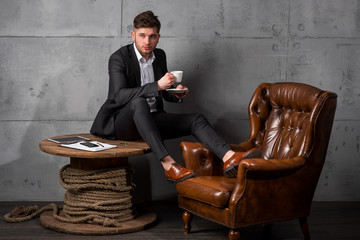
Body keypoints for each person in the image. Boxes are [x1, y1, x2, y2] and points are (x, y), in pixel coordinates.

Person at [90, 11, 253, 183]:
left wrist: (176, 93)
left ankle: (229, 156)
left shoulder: (159, 56)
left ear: (158, 37)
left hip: (152, 120)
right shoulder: (119, 58)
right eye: (142, 36)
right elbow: (118, 96)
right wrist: (157, 85)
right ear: (133, 35)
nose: (147, 41)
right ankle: (168, 165)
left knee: (196, 119)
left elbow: (164, 95)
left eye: (152, 36)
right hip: (122, 124)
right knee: (138, 103)